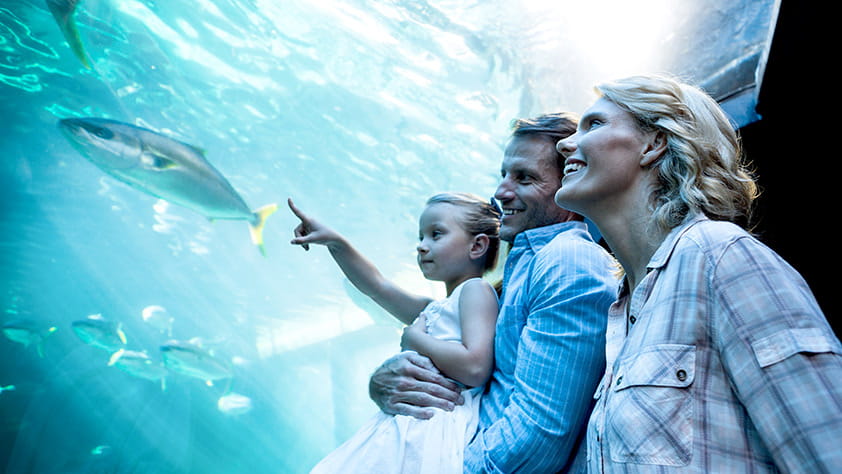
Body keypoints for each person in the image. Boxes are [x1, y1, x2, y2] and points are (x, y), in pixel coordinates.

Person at [554, 73, 842, 472]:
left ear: (653, 144)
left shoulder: (721, 254)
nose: (564, 143)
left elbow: (827, 447)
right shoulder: (622, 310)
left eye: (595, 123)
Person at [368, 113, 619, 472]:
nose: (501, 192)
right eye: (504, 175)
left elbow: (538, 438)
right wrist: (386, 383)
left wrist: (445, 466)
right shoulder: (524, 268)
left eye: (525, 177)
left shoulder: (568, 261)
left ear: (572, 183)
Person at [289, 192, 502, 473]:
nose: (422, 246)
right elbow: (378, 287)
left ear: (477, 246)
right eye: (421, 237)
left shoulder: (476, 290)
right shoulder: (437, 307)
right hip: (416, 418)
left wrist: (415, 340)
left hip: (435, 424)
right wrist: (335, 243)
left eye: (436, 235)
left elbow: (475, 367)